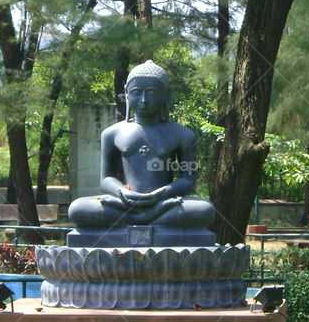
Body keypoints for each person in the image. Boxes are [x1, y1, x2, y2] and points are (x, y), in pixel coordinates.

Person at [66, 60, 214, 230]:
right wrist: (123, 192)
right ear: (127, 95)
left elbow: (188, 180)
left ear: (165, 95)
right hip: (125, 204)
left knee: (204, 210)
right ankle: (148, 218)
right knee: (77, 209)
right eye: (137, 92)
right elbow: (106, 179)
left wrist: (161, 194)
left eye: (151, 93)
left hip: (165, 202)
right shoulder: (112, 133)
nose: (144, 100)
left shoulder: (183, 134)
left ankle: (139, 218)